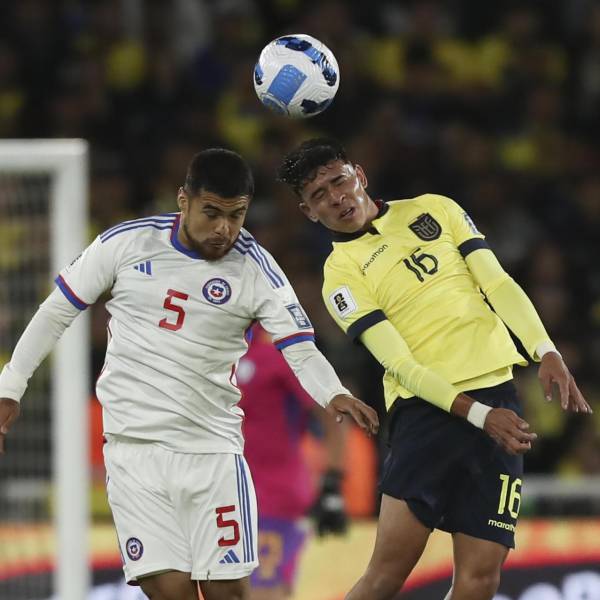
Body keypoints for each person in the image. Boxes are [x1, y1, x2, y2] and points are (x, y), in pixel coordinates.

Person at [0, 148, 379, 600]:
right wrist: (11, 386)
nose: (224, 229)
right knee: (170, 590)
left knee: (227, 592)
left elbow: (298, 346)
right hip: (135, 452)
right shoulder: (127, 243)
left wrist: (332, 392)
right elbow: (56, 311)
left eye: (236, 215)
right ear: (184, 200)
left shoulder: (256, 268)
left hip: (212, 452)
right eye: (212, 213)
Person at [276, 138, 592, 600]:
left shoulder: (435, 209)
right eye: (319, 195)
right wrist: (480, 416)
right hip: (428, 415)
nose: (336, 198)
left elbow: (497, 282)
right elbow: (399, 364)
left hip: (500, 399)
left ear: (359, 175)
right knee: (386, 575)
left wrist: (545, 350)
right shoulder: (340, 277)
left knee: (481, 579)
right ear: (308, 212)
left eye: (339, 181)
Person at [238, 324, 348, 600]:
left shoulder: (278, 355)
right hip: (226, 493)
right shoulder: (215, 353)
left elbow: (332, 411)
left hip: (273, 493)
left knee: (263, 589)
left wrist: (333, 481)